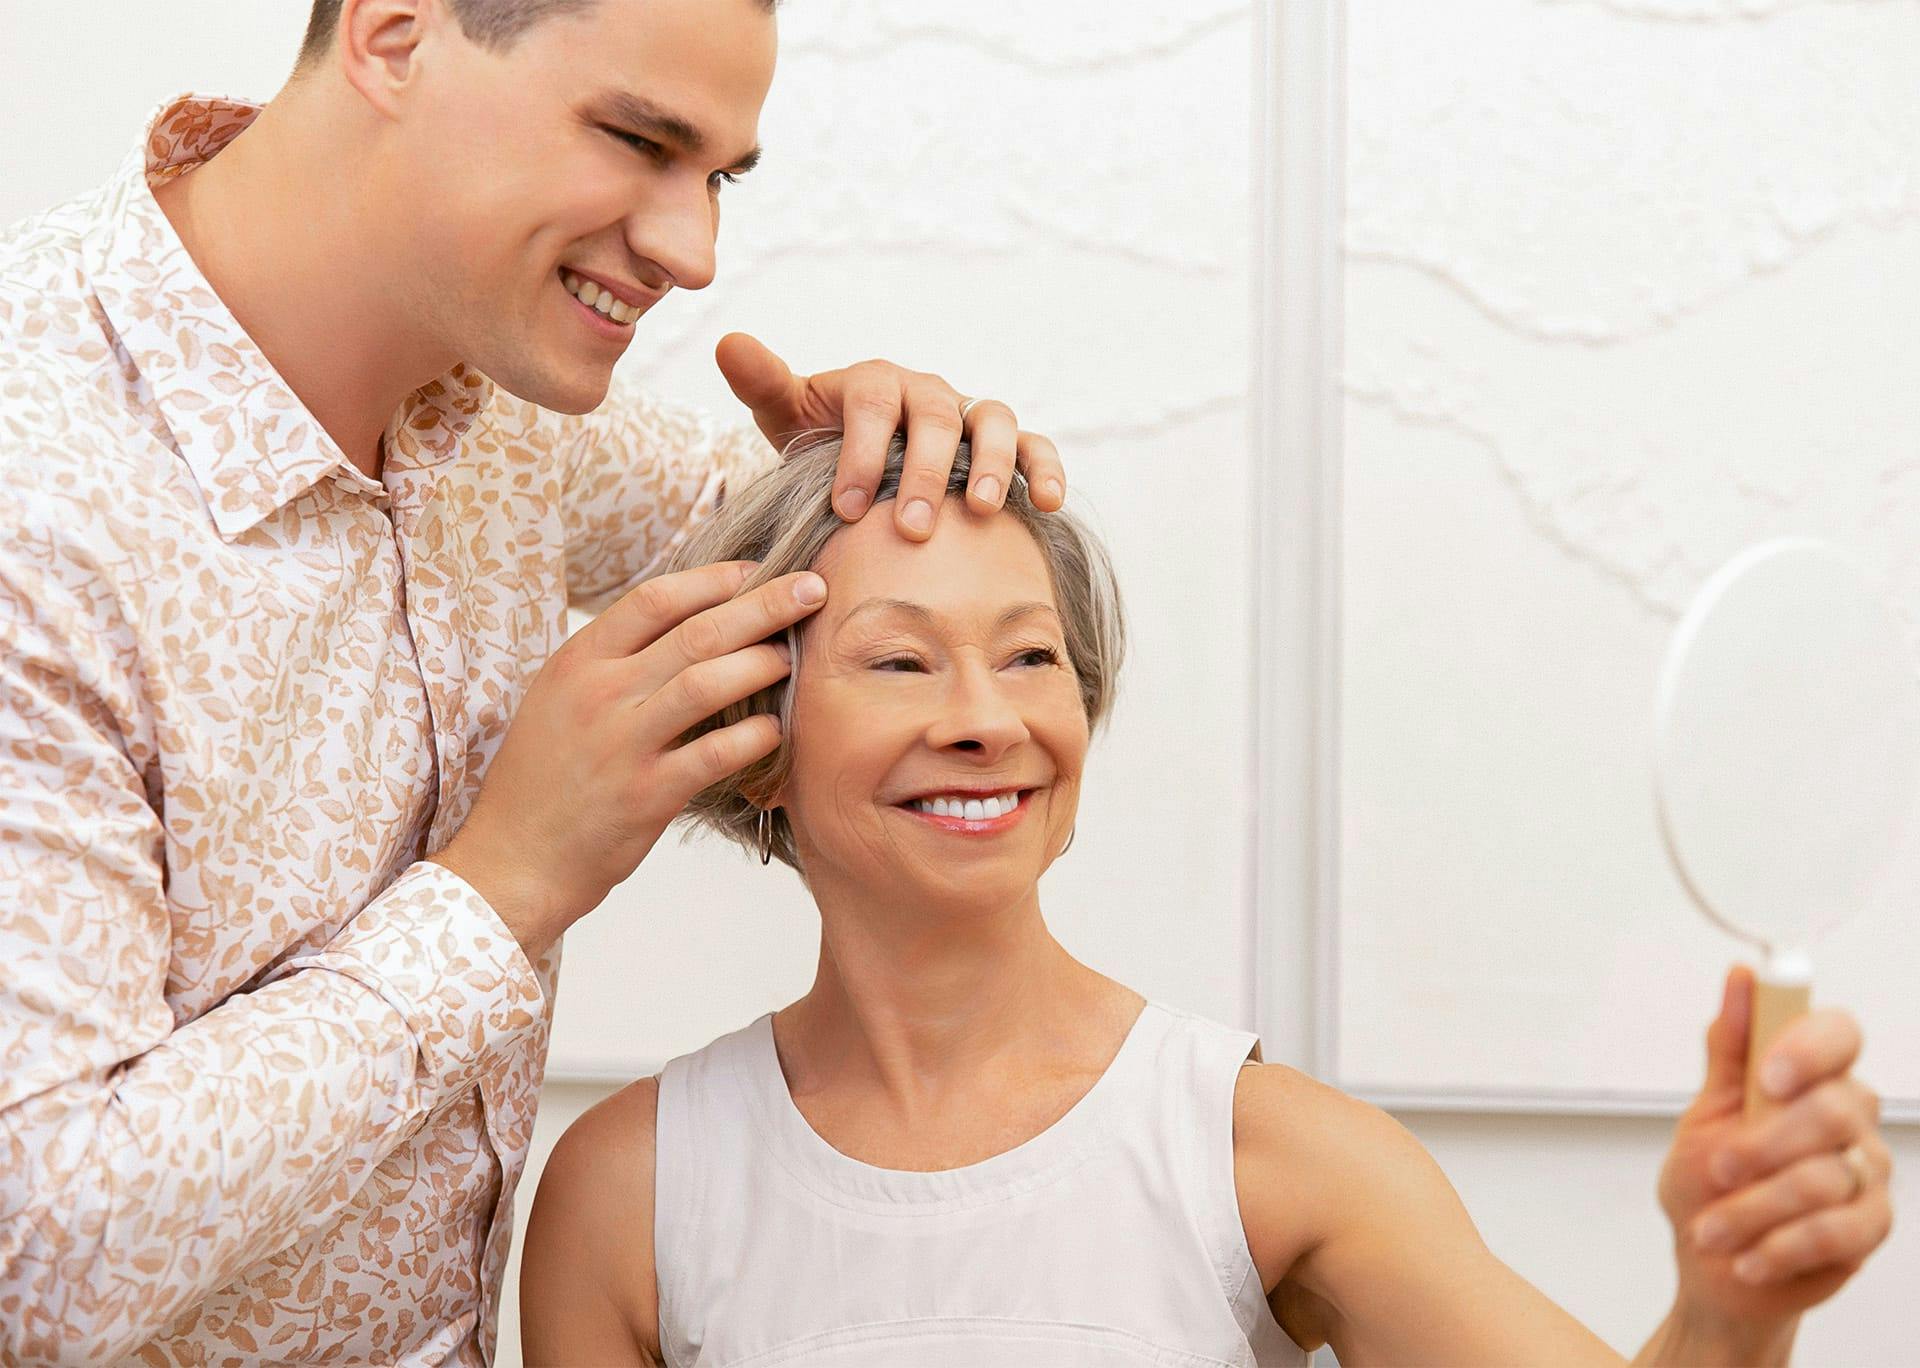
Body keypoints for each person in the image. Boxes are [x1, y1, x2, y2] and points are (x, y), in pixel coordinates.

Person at [0, 1, 1059, 1362]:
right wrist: (508, 883)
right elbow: (36, 1262)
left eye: (719, 176)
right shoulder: (39, 503)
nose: (694, 251)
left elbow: (802, 550)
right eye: (636, 138)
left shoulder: (494, 408)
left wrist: (871, 471)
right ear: (392, 36)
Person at [519, 439, 1893, 1367]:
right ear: (758, 736)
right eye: (900, 663)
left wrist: (1729, 1319)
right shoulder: (629, 1196)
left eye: (1032, 657)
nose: (989, 720)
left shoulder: (1264, 1155)